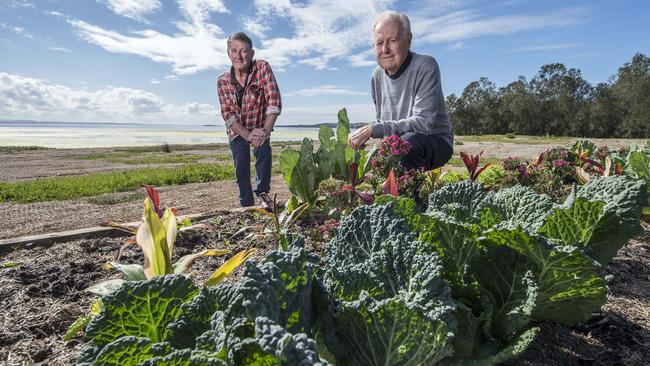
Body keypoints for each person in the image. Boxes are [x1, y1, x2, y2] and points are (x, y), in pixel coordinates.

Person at [349, 11, 453, 171]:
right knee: (383, 158)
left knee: (404, 145)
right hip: (398, 143)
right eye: (379, 43)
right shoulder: (376, 76)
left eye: (392, 40)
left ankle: (411, 196)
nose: (385, 49)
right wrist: (362, 135)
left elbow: (424, 124)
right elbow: (383, 120)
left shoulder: (426, 66)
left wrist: (374, 129)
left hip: (434, 141)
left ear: (408, 40)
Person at [216, 32, 281, 210]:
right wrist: (246, 134)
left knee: (263, 151)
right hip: (237, 130)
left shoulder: (262, 67)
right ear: (228, 53)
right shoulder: (222, 82)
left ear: (251, 53)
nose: (239, 56)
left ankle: (262, 194)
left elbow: (273, 100)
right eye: (234, 51)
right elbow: (228, 115)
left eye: (244, 51)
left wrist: (266, 131)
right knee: (241, 167)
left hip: (260, 127)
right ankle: (246, 205)